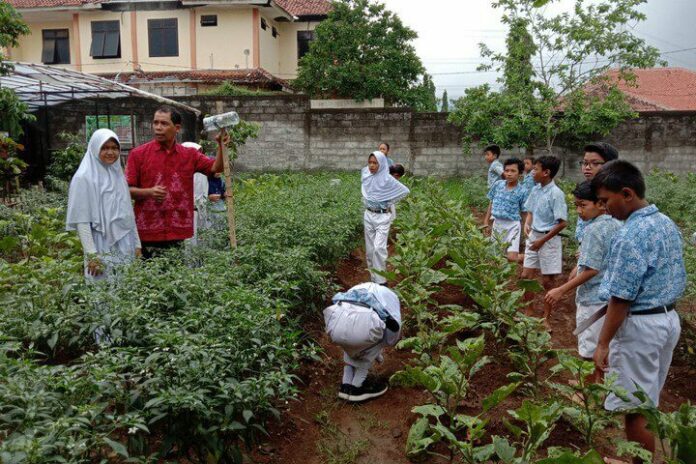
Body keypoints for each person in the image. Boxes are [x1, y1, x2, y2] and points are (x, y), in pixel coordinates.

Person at [592, 160, 685, 461]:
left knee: (635, 407)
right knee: (649, 399)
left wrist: (603, 343)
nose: (604, 208)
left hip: (641, 328)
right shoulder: (664, 222)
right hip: (667, 319)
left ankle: (640, 461)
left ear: (627, 193)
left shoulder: (629, 235)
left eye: (606, 201)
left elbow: (621, 298)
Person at [125, 106, 227, 258]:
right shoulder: (138, 154)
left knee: (174, 277)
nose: (158, 128)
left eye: (164, 124)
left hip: (177, 231)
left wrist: (221, 145)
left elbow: (215, 168)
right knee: (149, 278)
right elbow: (125, 191)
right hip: (147, 231)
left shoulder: (189, 155)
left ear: (177, 128)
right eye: (155, 123)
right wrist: (149, 192)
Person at [544, 181, 621, 360]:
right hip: (611, 299)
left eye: (583, 205)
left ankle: (587, 387)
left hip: (593, 298)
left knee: (589, 352)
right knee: (606, 348)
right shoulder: (617, 224)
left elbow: (592, 270)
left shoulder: (593, 229)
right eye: (576, 205)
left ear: (601, 204)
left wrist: (561, 289)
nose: (579, 211)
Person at [66, 129, 141, 281]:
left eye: (114, 148)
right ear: (95, 148)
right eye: (105, 148)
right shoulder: (83, 178)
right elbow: (82, 220)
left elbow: (128, 214)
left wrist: (137, 243)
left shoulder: (118, 176)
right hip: (99, 243)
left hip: (125, 241)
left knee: (126, 288)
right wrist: (92, 255)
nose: (110, 152)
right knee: (102, 291)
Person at [324, 282, 401, 402]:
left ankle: (345, 387)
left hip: (337, 325)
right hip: (364, 328)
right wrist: (385, 343)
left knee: (350, 346)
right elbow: (394, 329)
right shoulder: (390, 297)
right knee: (367, 351)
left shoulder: (358, 288)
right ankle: (356, 389)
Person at [521, 155, 568, 331]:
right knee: (526, 276)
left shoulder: (556, 194)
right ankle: (529, 310)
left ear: (546, 172)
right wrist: (527, 223)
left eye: (536, 169)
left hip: (548, 240)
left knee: (548, 281)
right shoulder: (536, 190)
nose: (532, 172)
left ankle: (546, 318)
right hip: (535, 237)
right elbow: (530, 211)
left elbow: (562, 223)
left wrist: (542, 240)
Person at [362, 151, 410, 285]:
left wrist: (387, 201)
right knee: (370, 250)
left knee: (379, 248)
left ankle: (381, 281)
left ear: (381, 164)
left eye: (375, 163)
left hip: (383, 217)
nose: (371, 165)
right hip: (368, 215)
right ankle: (374, 279)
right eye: (370, 162)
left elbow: (404, 191)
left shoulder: (388, 179)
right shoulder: (366, 176)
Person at [483, 158, 527, 262]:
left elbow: (524, 212)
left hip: (513, 226)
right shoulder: (498, 185)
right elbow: (491, 203)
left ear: (520, 173)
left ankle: (529, 257)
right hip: (497, 224)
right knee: (495, 256)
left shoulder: (522, 191)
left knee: (512, 258)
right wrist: (486, 221)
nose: (509, 174)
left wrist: (526, 228)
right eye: (507, 171)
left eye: (513, 171)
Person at [575, 142, 618, 243]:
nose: (587, 167)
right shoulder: (585, 190)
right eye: (585, 163)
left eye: (595, 163)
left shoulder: (618, 197)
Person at [181, 142, 210, 247]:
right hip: (188, 211)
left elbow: (204, 190)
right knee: (189, 241)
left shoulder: (201, 171)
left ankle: (201, 261)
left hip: (201, 209)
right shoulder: (182, 170)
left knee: (201, 238)